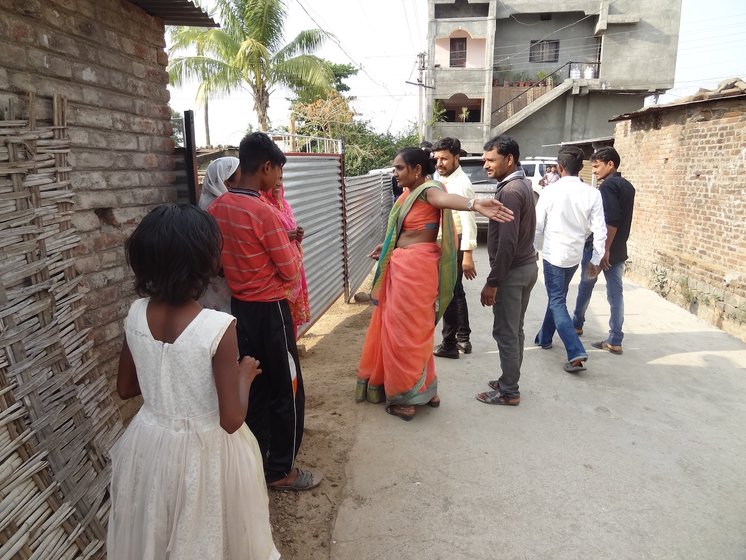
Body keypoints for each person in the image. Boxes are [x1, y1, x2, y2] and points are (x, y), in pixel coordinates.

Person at [108, 204, 279, 560]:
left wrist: (164, 378)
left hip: (150, 443)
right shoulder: (218, 327)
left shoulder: (136, 313)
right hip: (206, 453)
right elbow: (231, 421)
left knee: (158, 525)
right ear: (204, 262)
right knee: (203, 529)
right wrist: (244, 377)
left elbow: (126, 388)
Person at [355, 147, 514, 421]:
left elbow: (444, 199)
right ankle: (425, 388)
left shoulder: (428, 189)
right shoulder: (407, 195)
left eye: (400, 168)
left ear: (417, 170)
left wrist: (473, 204)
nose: (395, 173)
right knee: (415, 332)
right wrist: (387, 246)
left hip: (414, 271)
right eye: (394, 168)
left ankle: (405, 395)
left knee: (405, 333)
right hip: (407, 265)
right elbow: (408, 232)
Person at [209, 132, 322, 491]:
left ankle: (254, 460)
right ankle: (281, 471)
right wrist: (286, 248)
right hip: (271, 310)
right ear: (268, 167)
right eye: (278, 173)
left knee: (253, 383)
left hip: (238, 309)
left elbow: (219, 264)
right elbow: (290, 271)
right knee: (286, 389)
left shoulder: (216, 209)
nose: (278, 181)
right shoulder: (264, 212)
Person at [475, 135, 538, 406]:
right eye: (484, 159)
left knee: (506, 331)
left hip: (514, 272)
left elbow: (508, 242)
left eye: (491, 160)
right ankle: (508, 379)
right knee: (516, 329)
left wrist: (493, 281)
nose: (485, 165)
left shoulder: (510, 191)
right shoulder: (522, 184)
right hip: (526, 267)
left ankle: (509, 390)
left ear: (509, 159)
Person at [534, 146, 606, 373]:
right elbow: (600, 231)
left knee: (557, 300)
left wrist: (534, 249)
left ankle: (575, 352)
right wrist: (595, 259)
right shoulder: (592, 193)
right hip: (574, 255)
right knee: (558, 298)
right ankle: (544, 337)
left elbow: (537, 226)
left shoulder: (549, 192)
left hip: (554, 254)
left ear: (560, 168)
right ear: (581, 168)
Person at [572, 147, 636, 354]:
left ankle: (576, 324)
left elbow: (612, 220)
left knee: (586, 286)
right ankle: (615, 339)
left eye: (597, 166)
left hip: (601, 250)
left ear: (611, 164)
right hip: (618, 250)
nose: (594, 171)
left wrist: (604, 250)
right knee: (616, 293)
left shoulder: (608, 186)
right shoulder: (628, 186)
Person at [431, 137, 478, 358]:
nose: (440, 163)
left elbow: (469, 220)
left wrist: (467, 254)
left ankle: (450, 344)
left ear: (456, 158)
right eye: (437, 158)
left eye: (445, 158)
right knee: (456, 292)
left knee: (448, 293)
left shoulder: (461, 183)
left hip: (455, 242)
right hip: (446, 241)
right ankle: (463, 338)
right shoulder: (442, 178)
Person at [261, 167, 311, 339]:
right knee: (280, 322)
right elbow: (264, 240)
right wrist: (284, 237)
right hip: (277, 272)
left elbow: (288, 234)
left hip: (293, 267)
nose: (278, 183)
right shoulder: (262, 207)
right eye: (275, 178)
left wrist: (297, 236)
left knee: (291, 325)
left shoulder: (285, 205)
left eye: (281, 179)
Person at [199, 157, 241, 313]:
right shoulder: (220, 208)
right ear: (226, 182)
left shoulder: (204, 205)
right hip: (223, 276)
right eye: (240, 176)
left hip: (217, 279)